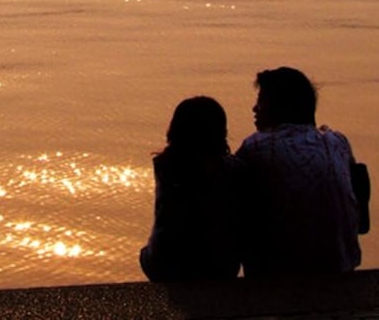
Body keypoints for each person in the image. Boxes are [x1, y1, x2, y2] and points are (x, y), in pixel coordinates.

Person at [235, 67, 362, 278]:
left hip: (278, 273)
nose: (254, 109)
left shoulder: (256, 146)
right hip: (341, 265)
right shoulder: (337, 141)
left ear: (278, 107)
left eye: (261, 102)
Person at [140, 96, 242, 282]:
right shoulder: (233, 168)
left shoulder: (165, 167)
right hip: (221, 267)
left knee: (145, 253)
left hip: (166, 265)